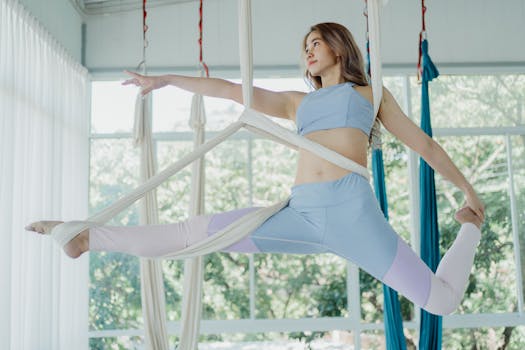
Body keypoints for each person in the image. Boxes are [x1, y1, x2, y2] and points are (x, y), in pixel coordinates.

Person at [27, 22, 484, 316]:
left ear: (339, 47)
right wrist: (164, 80)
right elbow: (229, 90)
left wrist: (468, 193)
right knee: (195, 232)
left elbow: (422, 144)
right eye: (304, 45)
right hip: (299, 214)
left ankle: (472, 229)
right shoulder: (296, 103)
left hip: (353, 212)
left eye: (315, 42)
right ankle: (86, 237)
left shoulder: (372, 96)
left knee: (440, 301)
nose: (308, 51)